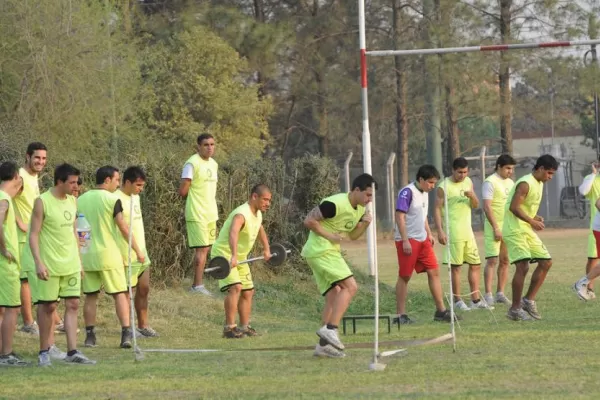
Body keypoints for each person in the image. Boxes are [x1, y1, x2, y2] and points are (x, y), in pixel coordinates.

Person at [301, 173, 375, 358]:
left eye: (372, 196)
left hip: (323, 252)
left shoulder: (360, 209)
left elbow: (353, 236)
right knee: (351, 287)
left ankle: (323, 346)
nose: (369, 199)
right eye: (367, 195)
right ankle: (331, 329)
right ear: (356, 190)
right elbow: (309, 220)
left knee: (334, 294)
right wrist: (329, 236)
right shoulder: (334, 204)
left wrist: (365, 224)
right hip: (321, 250)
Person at [29, 163, 95, 366]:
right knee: (48, 306)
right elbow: (34, 234)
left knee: (73, 304)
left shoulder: (73, 201)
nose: (76, 186)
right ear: (60, 182)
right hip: (50, 265)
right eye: (72, 182)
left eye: (77, 182)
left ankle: (72, 351)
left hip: (71, 264)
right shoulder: (42, 202)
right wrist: (38, 262)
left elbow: (74, 232)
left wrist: (79, 261)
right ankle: (44, 351)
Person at [78, 166, 144, 348]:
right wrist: (138, 250)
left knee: (90, 297)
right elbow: (123, 227)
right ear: (107, 180)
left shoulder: (80, 200)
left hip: (87, 256)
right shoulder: (113, 199)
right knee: (120, 294)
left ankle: (90, 336)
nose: (118, 183)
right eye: (116, 180)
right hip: (109, 255)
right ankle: (126, 335)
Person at [393, 165, 459, 325]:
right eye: (430, 182)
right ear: (421, 179)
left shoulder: (425, 193)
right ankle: (400, 315)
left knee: (434, 272)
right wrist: (405, 240)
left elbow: (422, 216)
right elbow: (399, 217)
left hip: (423, 240)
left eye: (434, 183)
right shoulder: (407, 192)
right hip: (408, 241)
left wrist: (429, 233)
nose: (432, 186)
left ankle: (441, 311)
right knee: (405, 276)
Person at [211, 184, 272, 339]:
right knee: (235, 287)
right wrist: (233, 255)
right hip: (225, 254)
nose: (268, 203)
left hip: (240, 256)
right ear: (254, 197)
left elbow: (260, 229)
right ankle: (229, 329)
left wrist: (266, 249)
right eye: (265, 199)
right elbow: (233, 233)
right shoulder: (241, 214)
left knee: (248, 291)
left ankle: (245, 327)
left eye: (269, 200)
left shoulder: (257, 214)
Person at [504, 154, 558, 321]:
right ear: (540, 169)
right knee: (523, 266)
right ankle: (514, 309)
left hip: (526, 228)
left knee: (546, 262)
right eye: (549, 173)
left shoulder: (539, 183)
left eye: (552, 174)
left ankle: (528, 300)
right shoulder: (525, 183)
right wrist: (531, 221)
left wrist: (533, 218)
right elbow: (514, 207)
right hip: (514, 229)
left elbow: (525, 208)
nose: (550, 177)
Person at [434, 157, 489, 311]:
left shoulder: (468, 182)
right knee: (456, 267)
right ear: (453, 170)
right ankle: (457, 300)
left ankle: (475, 300)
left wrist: (472, 196)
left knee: (475, 264)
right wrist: (440, 231)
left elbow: (476, 205)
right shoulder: (443, 187)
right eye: (459, 172)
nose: (462, 175)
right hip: (453, 232)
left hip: (468, 232)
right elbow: (437, 209)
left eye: (465, 172)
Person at [115, 166, 158, 337]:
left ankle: (143, 325)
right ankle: (128, 328)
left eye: (142, 186)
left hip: (142, 253)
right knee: (127, 293)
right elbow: (122, 228)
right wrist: (134, 250)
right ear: (127, 182)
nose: (141, 189)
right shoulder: (116, 199)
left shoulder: (136, 198)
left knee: (144, 288)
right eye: (138, 185)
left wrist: (141, 250)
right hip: (127, 254)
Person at [14, 142, 47, 336]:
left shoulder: (34, 177)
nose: (40, 162)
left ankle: (50, 319)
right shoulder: (20, 176)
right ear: (27, 156)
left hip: (33, 236)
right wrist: (19, 221)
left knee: (35, 277)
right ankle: (28, 322)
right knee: (24, 279)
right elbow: (4, 198)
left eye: (43, 158)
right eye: (37, 158)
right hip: (20, 237)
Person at [178, 133, 218, 296]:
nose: (209, 148)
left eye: (212, 144)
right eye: (206, 145)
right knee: (201, 250)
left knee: (206, 248)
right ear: (198, 147)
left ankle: (198, 284)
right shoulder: (191, 163)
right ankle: (197, 286)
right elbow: (183, 190)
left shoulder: (214, 164)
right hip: (197, 213)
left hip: (210, 213)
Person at [0, 161, 29, 366]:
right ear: (15, 177)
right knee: (12, 308)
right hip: (5, 263)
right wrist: (3, 248)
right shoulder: (4, 199)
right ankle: (7, 354)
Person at [481, 154, 517, 306]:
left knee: (505, 260)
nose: (510, 172)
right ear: (499, 167)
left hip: (507, 226)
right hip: (493, 226)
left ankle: (500, 293)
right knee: (492, 260)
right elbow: (487, 207)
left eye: (512, 169)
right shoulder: (490, 182)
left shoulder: (511, 183)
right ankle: (488, 294)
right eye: (508, 168)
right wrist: (496, 227)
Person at [576, 162, 600, 299]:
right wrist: (593, 174)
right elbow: (583, 191)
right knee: (593, 258)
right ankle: (587, 288)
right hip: (596, 226)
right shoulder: (592, 179)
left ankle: (583, 285)